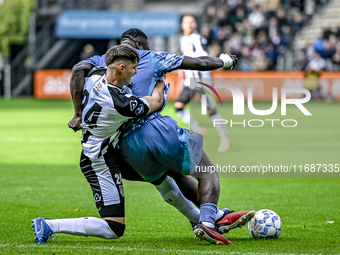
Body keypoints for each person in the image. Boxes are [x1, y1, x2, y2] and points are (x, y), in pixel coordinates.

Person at [68, 29, 254, 245]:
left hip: (126, 145)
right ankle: (208, 223)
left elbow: (78, 69)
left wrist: (78, 113)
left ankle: (212, 217)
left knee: (171, 173)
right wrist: (224, 61)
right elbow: (200, 63)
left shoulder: (104, 60)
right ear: (140, 45)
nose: (137, 66)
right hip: (152, 128)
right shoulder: (153, 57)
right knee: (207, 171)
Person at [32, 45, 170, 244]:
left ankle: (201, 218)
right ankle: (49, 225)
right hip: (98, 161)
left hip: (107, 151)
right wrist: (160, 77)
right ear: (121, 68)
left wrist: (77, 112)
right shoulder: (122, 103)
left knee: (162, 174)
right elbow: (156, 101)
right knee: (114, 227)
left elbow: (78, 70)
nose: (137, 71)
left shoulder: (96, 75)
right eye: (134, 67)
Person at [175, 15, 233, 152]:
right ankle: (197, 129)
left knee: (211, 111)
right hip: (190, 81)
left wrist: (213, 60)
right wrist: (181, 71)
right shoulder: (183, 39)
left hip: (202, 80)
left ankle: (226, 139)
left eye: (192, 22)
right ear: (182, 25)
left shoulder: (198, 38)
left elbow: (205, 51)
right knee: (179, 107)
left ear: (195, 25)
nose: (189, 25)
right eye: (186, 22)